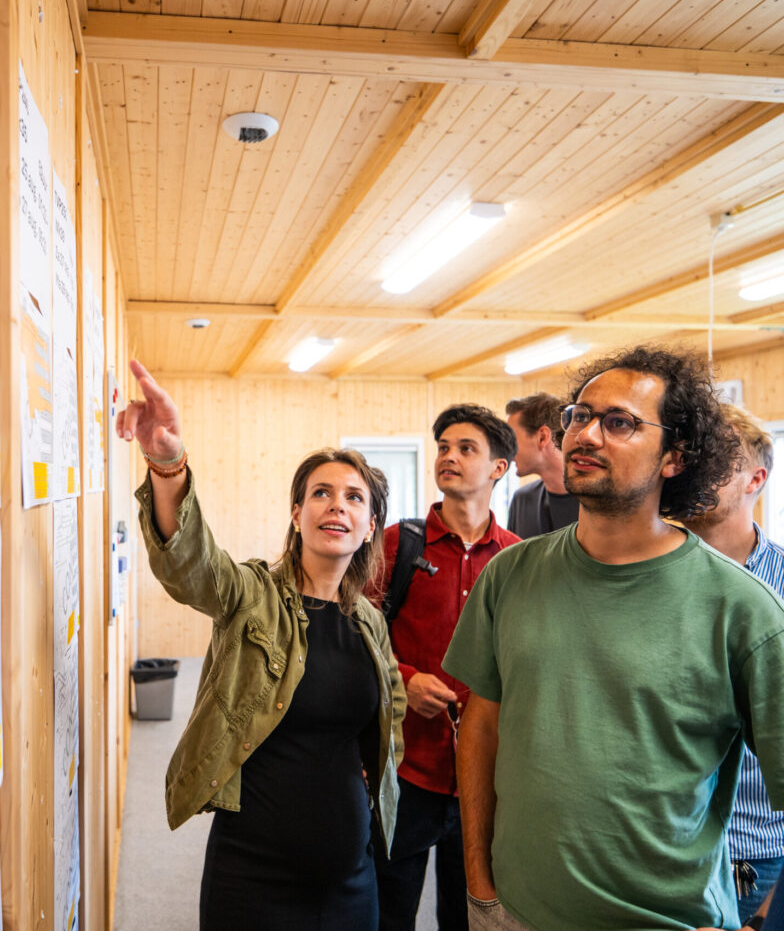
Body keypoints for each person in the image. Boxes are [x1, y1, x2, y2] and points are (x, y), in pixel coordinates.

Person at [443, 346, 784, 931]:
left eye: (619, 422)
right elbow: (482, 725)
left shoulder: (743, 609)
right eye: (579, 415)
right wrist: (479, 887)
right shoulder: (510, 574)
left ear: (675, 456)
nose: (586, 434)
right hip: (515, 914)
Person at [116, 358, 406, 930]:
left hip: (352, 876)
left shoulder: (370, 621)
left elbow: (389, 709)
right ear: (297, 515)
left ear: (370, 526)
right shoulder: (252, 595)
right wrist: (168, 464)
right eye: (321, 493)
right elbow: (192, 568)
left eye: (354, 498)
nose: (337, 505)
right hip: (252, 874)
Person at [373, 404, 520, 931]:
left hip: (485, 778)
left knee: (472, 915)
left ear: (499, 468)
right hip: (406, 767)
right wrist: (404, 680)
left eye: (466, 449)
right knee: (390, 911)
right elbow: (356, 636)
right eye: (443, 448)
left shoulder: (517, 558)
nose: (449, 457)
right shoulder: (396, 544)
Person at [684, 404, 784, 928]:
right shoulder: (649, 576)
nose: (698, 469)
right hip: (659, 846)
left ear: (756, 480)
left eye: (720, 461)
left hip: (753, 849)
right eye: (694, 456)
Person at [504, 392, 578, 538]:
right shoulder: (522, 500)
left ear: (542, 437)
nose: (507, 450)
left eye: (512, 440)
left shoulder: (598, 500)